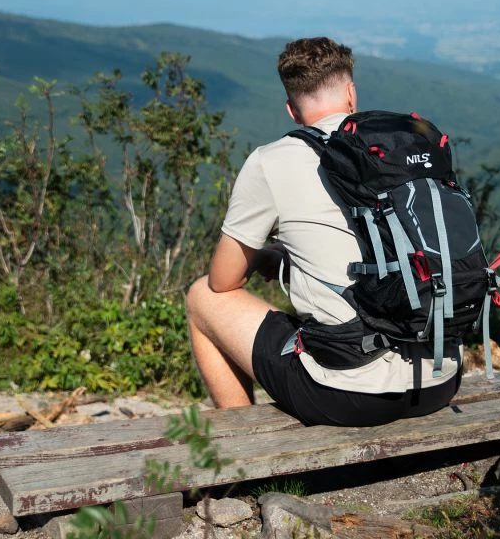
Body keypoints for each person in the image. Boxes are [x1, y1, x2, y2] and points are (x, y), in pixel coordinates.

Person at [186, 37, 462, 426]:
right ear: (352, 93)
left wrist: (272, 255)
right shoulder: (411, 147)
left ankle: (240, 450)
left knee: (202, 297)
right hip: (441, 377)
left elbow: (223, 281)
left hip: (350, 396)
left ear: (291, 110)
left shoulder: (271, 161)